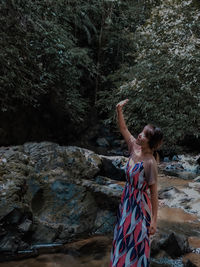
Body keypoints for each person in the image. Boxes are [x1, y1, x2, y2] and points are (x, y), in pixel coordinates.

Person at [110, 99, 163, 267]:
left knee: (134, 244)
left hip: (139, 208)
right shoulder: (134, 147)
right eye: (142, 132)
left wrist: (154, 221)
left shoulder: (150, 163)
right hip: (126, 202)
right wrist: (119, 110)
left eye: (145, 135)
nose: (140, 135)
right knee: (121, 239)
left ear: (151, 142)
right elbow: (124, 129)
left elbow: (154, 195)